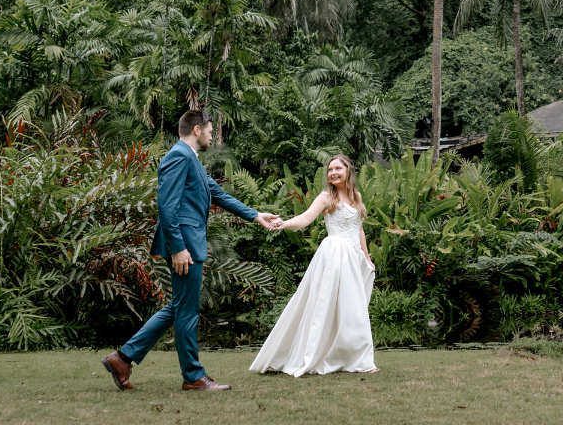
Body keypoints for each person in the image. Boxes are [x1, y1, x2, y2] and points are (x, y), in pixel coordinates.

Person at [101, 110, 282, 391]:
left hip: (189, 243)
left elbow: (218, 195)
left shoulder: (191, 160)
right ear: (197, 129)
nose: (212, 135)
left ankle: (123, 358)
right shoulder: (178, 156)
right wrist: (177, 248)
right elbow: (166, 204)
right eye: (210, 130)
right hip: (184, 245)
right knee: (186, 311)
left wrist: (256, 215)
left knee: (179, 307)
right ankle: (193, 377)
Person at [249, 154, 379, 376]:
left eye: (338, 168)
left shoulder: (356, 197)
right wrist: (283, 224)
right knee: (327, 307)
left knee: (353, 309)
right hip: (335, 255)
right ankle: (319, 355)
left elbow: (359, 229)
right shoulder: (326, 197)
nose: (333, 173)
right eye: (330, 170)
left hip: (352, 257)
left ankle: (358, 358)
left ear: (348, 171)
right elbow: (305, 218)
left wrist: (366, 257)